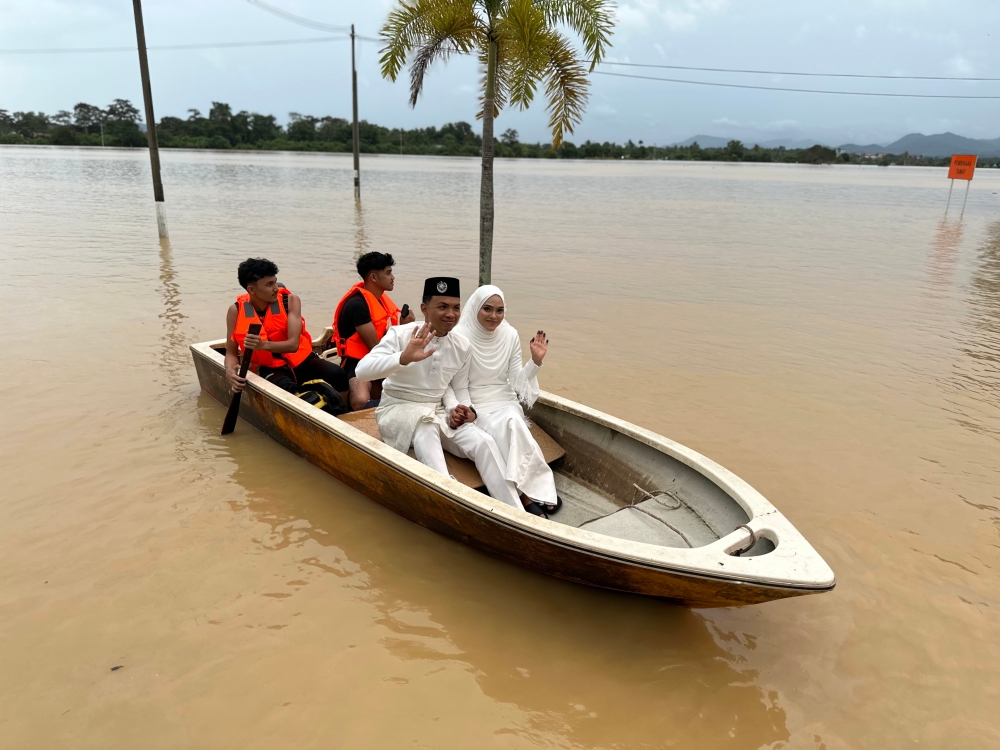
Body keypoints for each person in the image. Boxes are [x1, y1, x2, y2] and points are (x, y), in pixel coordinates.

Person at [355, 277, 526, 512]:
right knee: (425, 426)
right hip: (397, 408)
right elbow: (361, 370)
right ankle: (448, 500)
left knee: (483, 441)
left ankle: (516, 512)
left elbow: (458, 387)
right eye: (442, 306)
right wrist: (403, 358)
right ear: (425, 309)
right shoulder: (402, 334)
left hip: (437, 411)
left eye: (456, 307)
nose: (451, 313)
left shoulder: (462, 346)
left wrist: (464, 409)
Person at [451, 285, 559, 518]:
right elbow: (458, 384)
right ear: (476, 308)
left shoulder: (509, 334)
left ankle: (531, 490)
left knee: (513, 421)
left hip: (504, 398)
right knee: (505, 426)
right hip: (477, 402)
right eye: (487, 309)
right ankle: (527, 494)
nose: (494, 316)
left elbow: (516, 382)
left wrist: (535, 362)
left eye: (500, 310)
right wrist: (469, 410)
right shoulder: (460, 336)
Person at [225, 257, 349, 403]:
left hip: (303, 361)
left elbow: (293, 344)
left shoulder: (290, 301)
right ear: (252, 289)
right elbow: (231, 352)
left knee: (338, 374)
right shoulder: (236, 311)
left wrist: (262, 345)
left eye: (275, 282)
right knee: (287, 390)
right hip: (270, 367)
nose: (276, 288)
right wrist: (229, 372)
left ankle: (342, 413)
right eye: (269, 284)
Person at [333, 252, 415, 410]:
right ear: (374, 277)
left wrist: (404, 326)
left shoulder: (381, 300)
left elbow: (387, 337)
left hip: (380, 355)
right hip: (357, 361)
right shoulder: (357, 305)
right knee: (360, 400)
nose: (393, 277)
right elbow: (375, 347)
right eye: (388, 273)